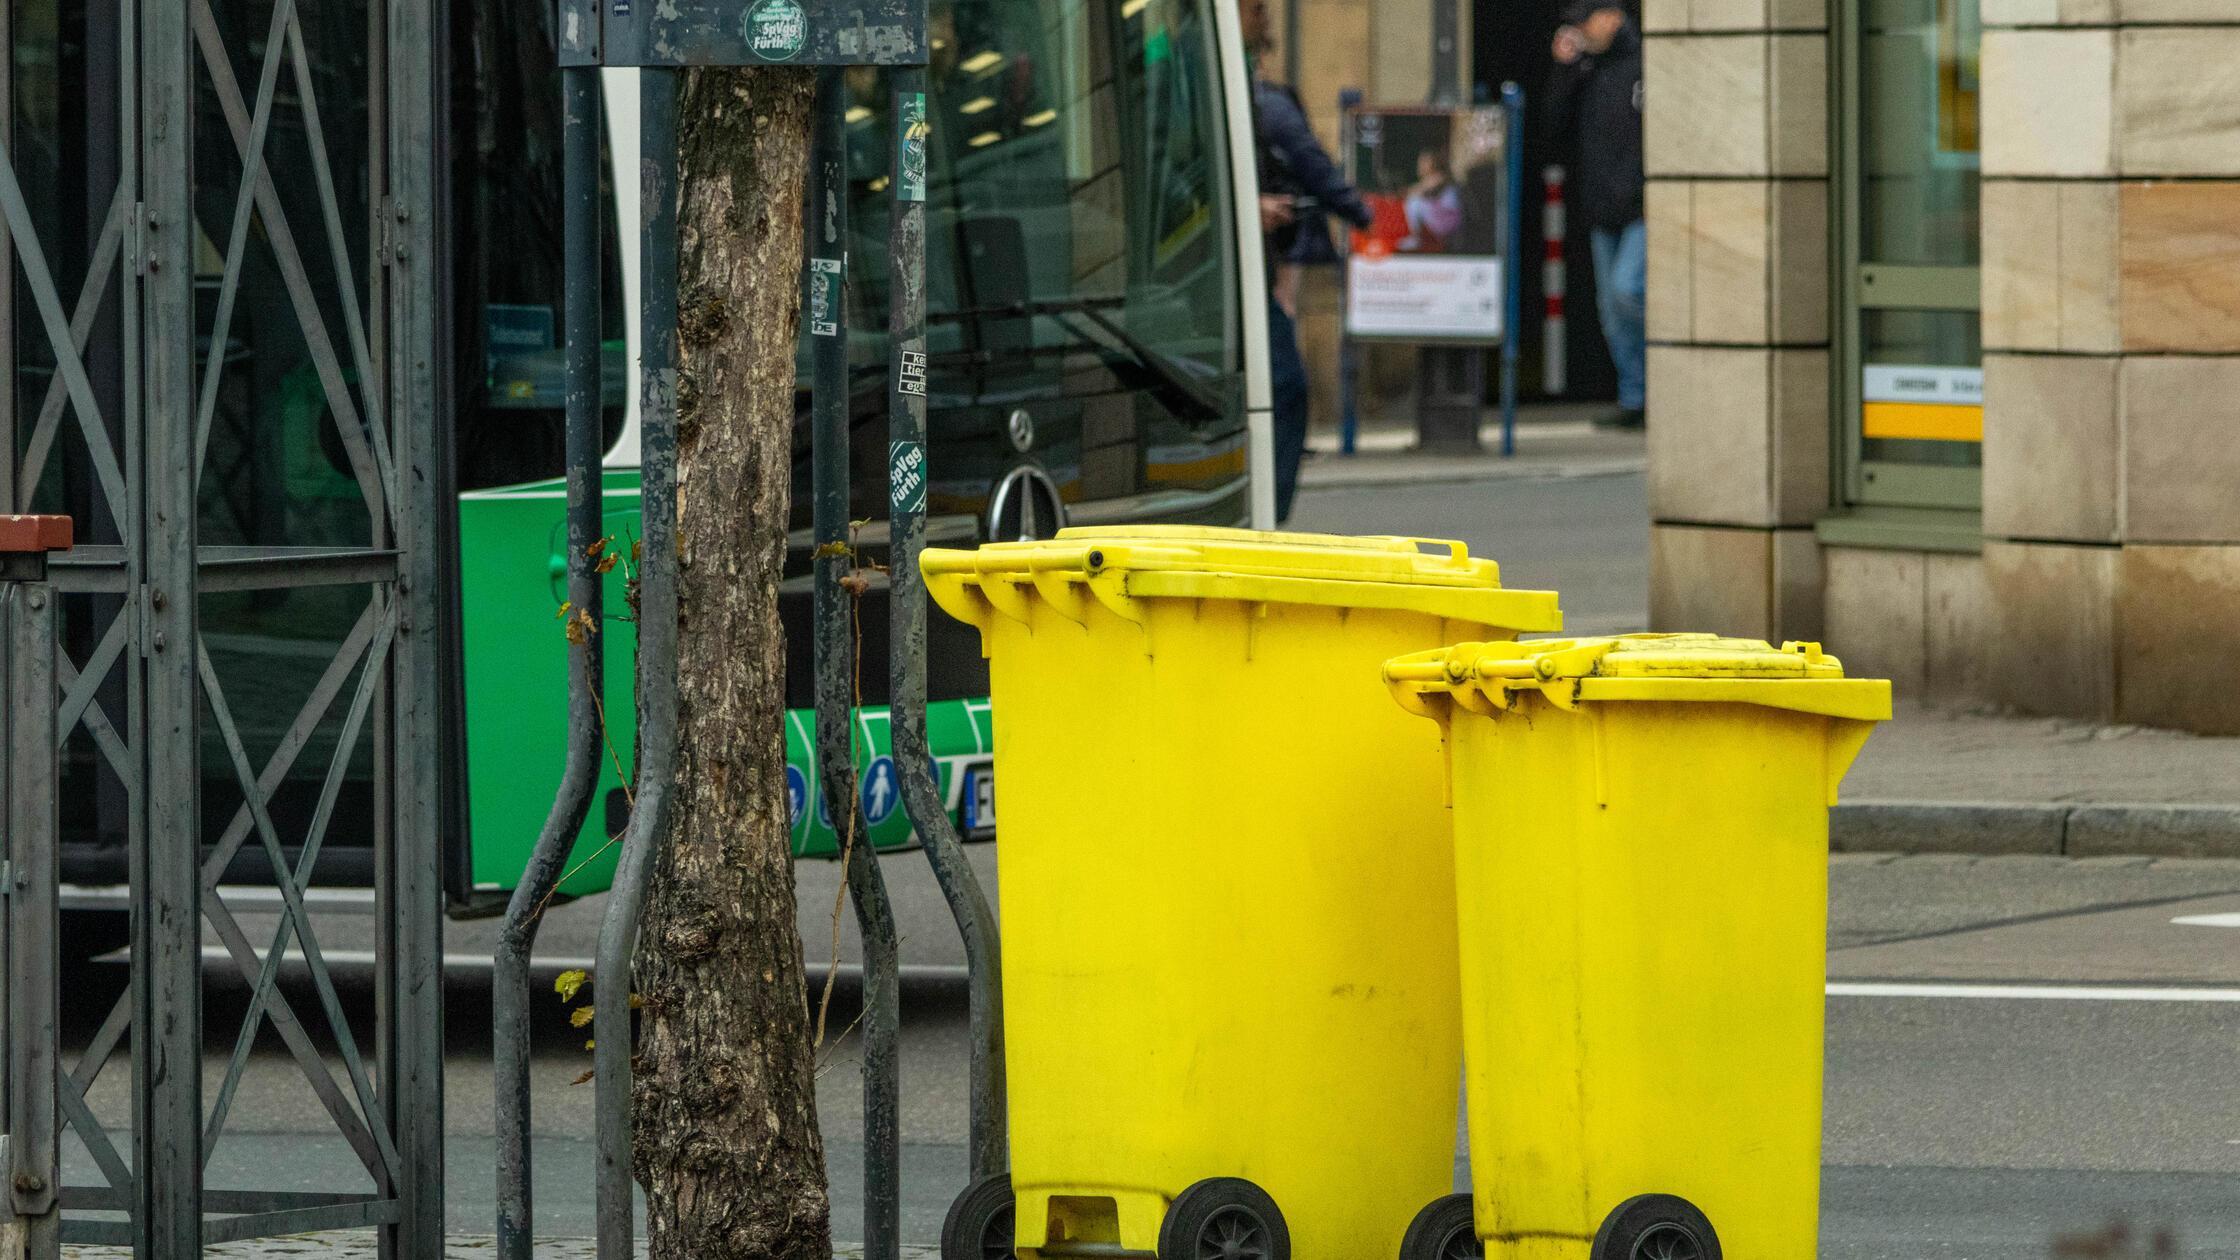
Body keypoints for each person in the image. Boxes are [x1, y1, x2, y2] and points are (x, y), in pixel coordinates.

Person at [1239, 0, 1375, 523]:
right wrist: (1364, 214)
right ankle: (1266, 518)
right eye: (1256, 9)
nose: (1267, 17)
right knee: (1287, 386)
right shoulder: (1263, 103)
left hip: (1259, 260)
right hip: (1236, 269)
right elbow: (1314, 165)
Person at [1547, 1, 1645, 430]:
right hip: (1602, 208)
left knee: (1627, 291)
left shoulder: (1644, 63)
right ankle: (1635, 396)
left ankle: (1664, 383)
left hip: (1643, 207)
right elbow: (1552, 126)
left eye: (1586, 23)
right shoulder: (1587, 71)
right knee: (1610, 309)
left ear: (1610, 17)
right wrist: (1566, 69)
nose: (1583, 32)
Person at [1399, 148, 1464, 253]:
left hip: (1449, 219)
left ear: (1434, 162)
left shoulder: (1439, 177)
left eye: (1425, 162)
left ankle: (1415, 238)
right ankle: (1414, 237)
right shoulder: (1430, 179)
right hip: (1442, 216)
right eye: (1420, 162)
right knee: (1415, 200)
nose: (1421, 165)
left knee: (1414, 202)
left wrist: (1408, 191)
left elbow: (1416, 191)